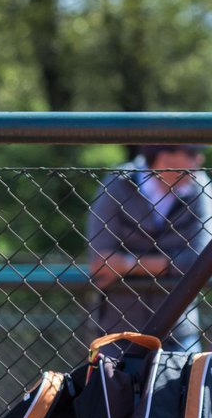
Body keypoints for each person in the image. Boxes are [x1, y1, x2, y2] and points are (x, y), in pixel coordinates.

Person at [87, 144, 211, 352]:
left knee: (185, 384)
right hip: (118, 332)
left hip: (179, 331)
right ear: (165, 157)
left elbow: (199, 262)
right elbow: (101, 262)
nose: (199, 161)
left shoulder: (200, 188)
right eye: (191, 154)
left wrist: (127, 264)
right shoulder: (118, 184)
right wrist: (170, 264)